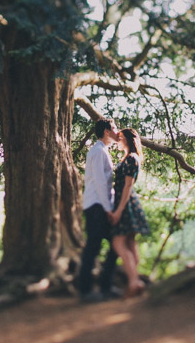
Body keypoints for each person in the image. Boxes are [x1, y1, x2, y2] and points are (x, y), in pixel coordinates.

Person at [77, 119, 120, 303]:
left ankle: (105, 286)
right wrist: (109, 208)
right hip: (97, 206)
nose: (117, 131)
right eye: (114, 128)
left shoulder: (103, 151)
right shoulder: (97, 152)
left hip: (100, 205)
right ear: (106, 131)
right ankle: (85, 290)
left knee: (116, 243)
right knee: (93, 247)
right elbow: (101, 183)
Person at [108, 128, 151, 298]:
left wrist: (118, 210)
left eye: (119, 138)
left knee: (118, 243)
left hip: (125, 203)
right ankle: (135, 280)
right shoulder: (128, 157)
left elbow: (127, 186)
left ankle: (134, 281)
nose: (117, 141)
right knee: (130, 243)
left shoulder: (132, 158)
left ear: (126, 139)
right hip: (125, 202)